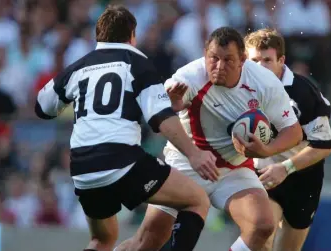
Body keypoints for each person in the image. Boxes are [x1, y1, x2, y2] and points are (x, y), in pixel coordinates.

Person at [34, 5, 218, 251]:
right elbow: (160, 118)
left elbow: (42, 107)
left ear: (98, 35)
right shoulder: (137, 62)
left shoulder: (79, 66)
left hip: (83, 169)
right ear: (132, 34)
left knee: (102, 240)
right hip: (121, 161)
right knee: (197, 200)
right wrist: (194, 154)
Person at [115, 27, 303, 251]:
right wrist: (171, 107)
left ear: (242, 59)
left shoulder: (265, 83)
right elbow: (158, 112)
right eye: (213, 58)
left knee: (263, 225)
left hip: (234, 169)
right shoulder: (191, 75)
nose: (219, 66)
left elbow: (293, 131)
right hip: (187, 165)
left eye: (228, 60)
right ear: (205, 54)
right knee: (146, 243)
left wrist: (266, 150)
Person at [244, 28, 331, 251]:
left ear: (281, 60)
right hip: (263, 176)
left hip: (303, 177)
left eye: (267, 60)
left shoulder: (303, 92)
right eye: (254, 60)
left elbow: (324, 145)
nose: (260, 67)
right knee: (261, 234)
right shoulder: (238, 89)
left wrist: (286, 168)